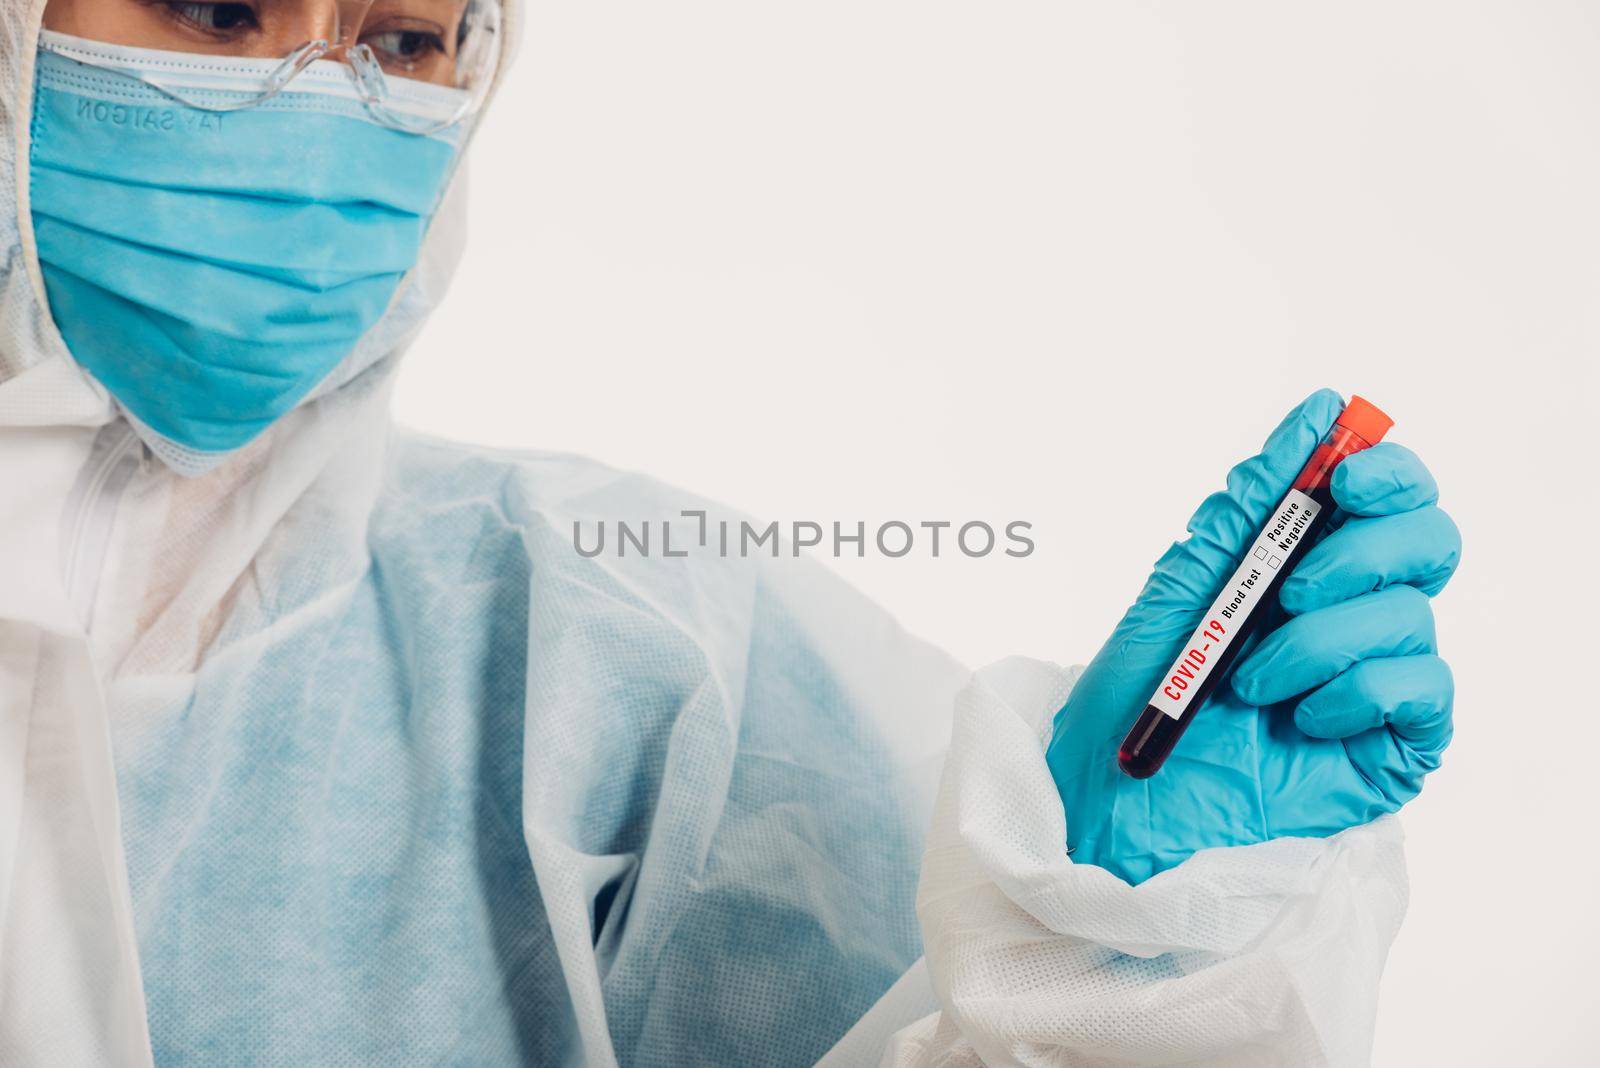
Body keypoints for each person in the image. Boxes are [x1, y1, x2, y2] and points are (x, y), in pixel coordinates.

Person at [0, 1, 1460, 1065]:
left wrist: (1107, 947)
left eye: (399, 45)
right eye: (213, 10)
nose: (316, 103)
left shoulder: (612, 637)